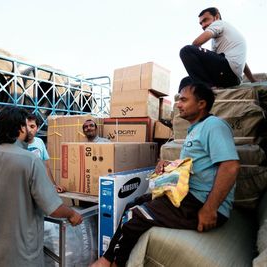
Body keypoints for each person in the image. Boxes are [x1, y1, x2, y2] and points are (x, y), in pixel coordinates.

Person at [91, 81, 240, 267]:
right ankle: (110, 258)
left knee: (135, 214)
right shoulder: (195, 129)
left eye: (184, 100)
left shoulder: (214, 125)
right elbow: (198, 166)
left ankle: (111, 262)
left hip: (199, 202)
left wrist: (209, 209)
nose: (178, 104)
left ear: (201, 104)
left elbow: (230, 166)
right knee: (132, 202)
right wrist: (170, 167)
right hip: (187, 195)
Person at [0, 106, 83, 267]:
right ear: (20, 128)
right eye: (26, 125)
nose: (30, 130)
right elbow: (52, 208)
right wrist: (72, 214)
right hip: (18, 251)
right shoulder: (29, 160)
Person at [180, 7, 256, 88]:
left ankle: (206, 88)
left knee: (186, 50)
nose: (203, 25)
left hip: (227, 70)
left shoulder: (219, 23)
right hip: (233, 80)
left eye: (205, 20)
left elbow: (196, 43)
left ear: (216, 17)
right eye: (201, 23)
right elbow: (243, 62)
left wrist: (197, 57)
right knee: (185, 81)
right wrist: (252, 80)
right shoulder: (226, 39)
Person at [26, 113, 66, 193]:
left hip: (38, 187)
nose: (29, 130)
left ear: (37, 128)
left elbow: (46, 167)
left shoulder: (39, 142)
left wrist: (53, 186)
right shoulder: (16, 144)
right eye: (25, 126)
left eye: (32, 126)